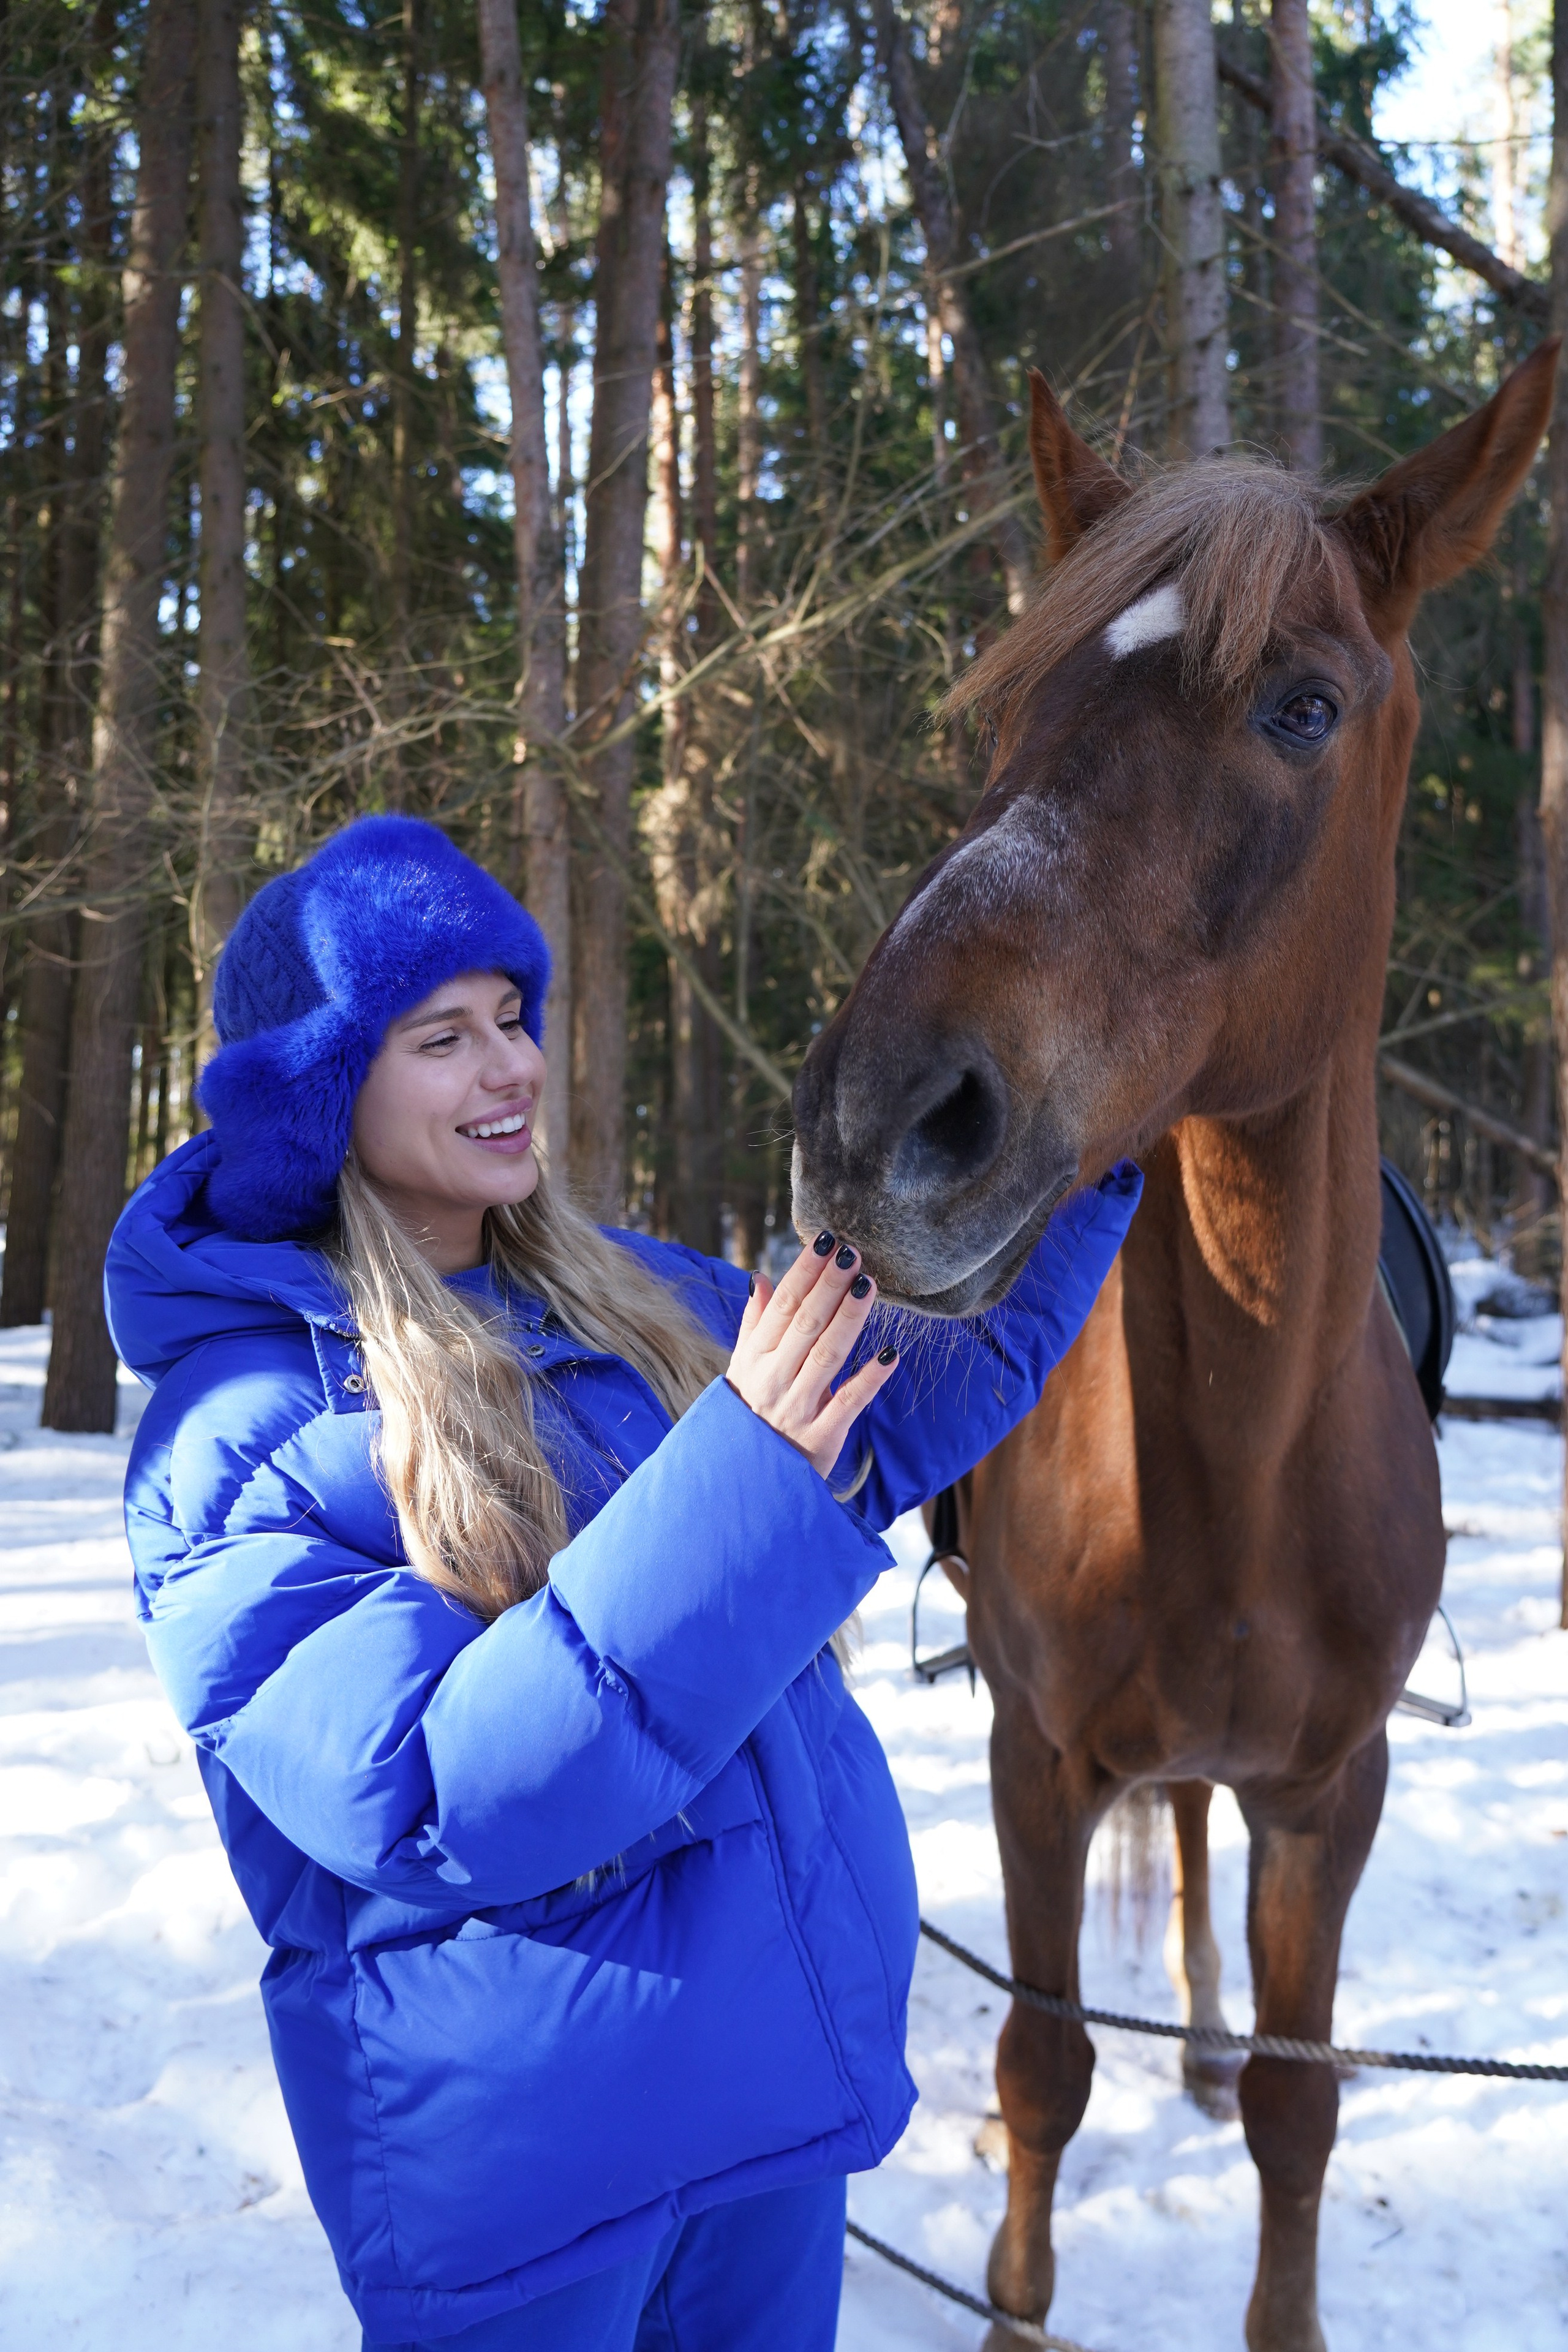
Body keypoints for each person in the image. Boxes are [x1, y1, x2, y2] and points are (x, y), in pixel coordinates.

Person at [105, 816, 1141, 2352]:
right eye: (441, 1037)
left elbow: (902, 1396)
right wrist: (744, 1474)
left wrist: (1095, 1152)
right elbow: (433, 1796)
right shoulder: (243, 1429)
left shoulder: (630, 1295)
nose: (509, 1066)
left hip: (760, 2114)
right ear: (322, 1095)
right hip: (531, 2194)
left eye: (513, 1017)